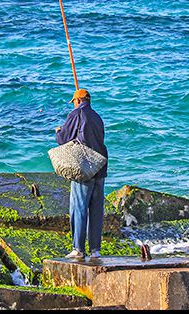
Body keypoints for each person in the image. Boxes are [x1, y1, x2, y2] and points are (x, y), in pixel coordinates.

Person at [55, 88, 108, 260]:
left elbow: (65, 138)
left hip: (84, 167)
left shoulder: (76, 114)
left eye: (74, 102)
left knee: (78, 207)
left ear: (77, 101)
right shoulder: (97, 117)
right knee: (96, 209)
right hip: (100, 166)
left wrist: (58, 131)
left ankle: (78, 248)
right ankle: (95, 250)